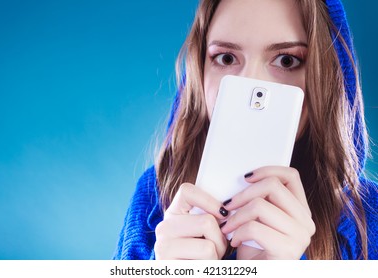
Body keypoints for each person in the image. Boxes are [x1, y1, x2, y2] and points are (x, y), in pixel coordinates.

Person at [113, 0, 378, 260]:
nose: (250, 83)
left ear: (325, 77)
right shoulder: (153, 194)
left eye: (287, 61)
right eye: (226, 58)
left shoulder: (370, 216)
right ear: (199, 72)